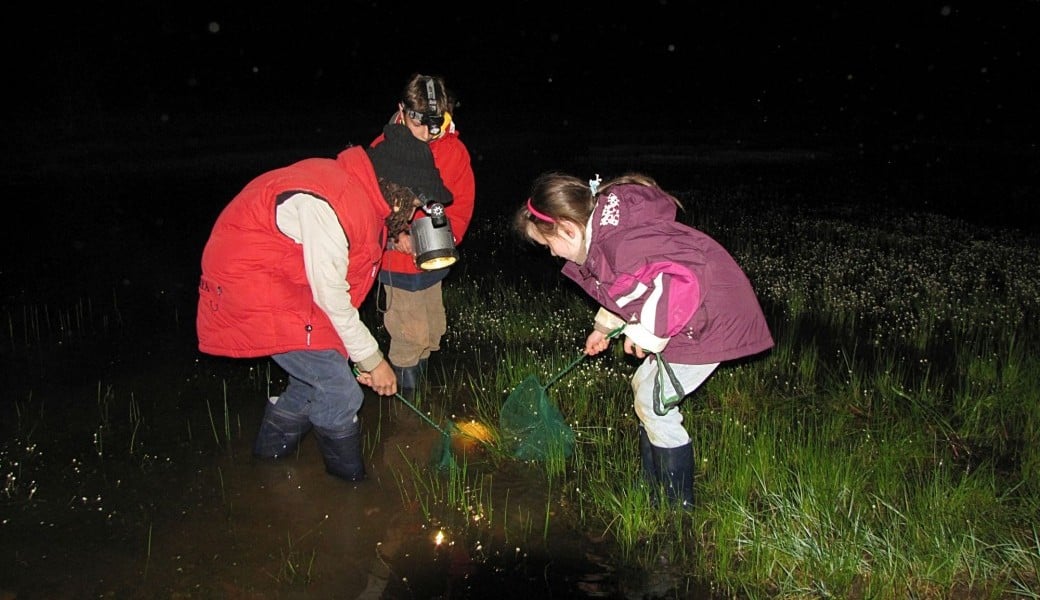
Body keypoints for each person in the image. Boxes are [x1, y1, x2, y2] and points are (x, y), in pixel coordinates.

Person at [196, 123, 451, 483]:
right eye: (411, 206)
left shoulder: (358, 193)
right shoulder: (329, 205)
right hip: (250, 285)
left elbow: (349, 249)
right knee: (338, 388)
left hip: (286, 282)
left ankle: (265, 461)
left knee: (314, 378)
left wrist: (394, 239)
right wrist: (373, 359)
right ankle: (349, 484)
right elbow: (331, 294)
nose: (410, 216)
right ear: (396, 193)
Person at [514, 172, 774, 509]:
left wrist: (647, 332)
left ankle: (675, 504)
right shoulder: (604, 240)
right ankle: (652, 480)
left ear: (568, 228)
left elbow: (679, 281)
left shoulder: (618, 244)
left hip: (708, 321)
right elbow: (631, 288)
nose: (551, 253)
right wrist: (604, 327)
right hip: (688, 316)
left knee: (655, 405)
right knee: (644, 387)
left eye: (549, 244)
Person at [370, 73, 476, 400]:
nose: (427, 134)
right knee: (408, 336)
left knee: (432, 331)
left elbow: (461, 203)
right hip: (397, 264)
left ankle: (422, 403)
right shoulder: (382, 151)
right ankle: (406, 417)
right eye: (419, 125)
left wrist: (443, 237)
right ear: (402, 110)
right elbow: (368, 207)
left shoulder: (452, 150)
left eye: (436, 125)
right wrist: (397, 233)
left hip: (434, 260)